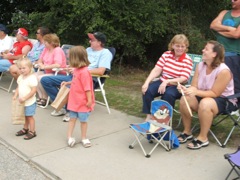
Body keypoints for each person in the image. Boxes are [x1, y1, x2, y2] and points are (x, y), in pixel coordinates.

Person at [177, 40, 238, 150]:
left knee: (205, 103)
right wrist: (186, 89)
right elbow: (194, 86)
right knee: (184, 98)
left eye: (206, 49)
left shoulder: (224, 71)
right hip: (203, 95)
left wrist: (195, 92)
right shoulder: (200, 65)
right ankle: (187, 131)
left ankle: (203, 138)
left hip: (224, 100)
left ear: (214, 54)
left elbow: (215, 93)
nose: (202, 50)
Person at [40, 32, 112, 121]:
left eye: (92, 40)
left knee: (69, 87)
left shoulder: (105, 53)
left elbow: (101, 71)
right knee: (45, 80)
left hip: (89, 79)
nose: (89, 41)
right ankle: (61, 106)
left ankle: (70, 110)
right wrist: (70, 67)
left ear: (99, 42)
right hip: (74, 76)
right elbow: (79, 64)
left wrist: (80, 71)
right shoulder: (88, 50)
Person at [142, 34, 193, 121]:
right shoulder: (166, 55)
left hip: (177, 85)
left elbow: (183, 78)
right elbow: (156, 70)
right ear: (172, 45)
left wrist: (167, 82)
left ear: (186, 47)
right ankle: (149, 116)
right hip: (162, 81)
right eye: (177, 46)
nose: (180, 48)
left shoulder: (187, 60)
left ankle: (162, 119)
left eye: (182, 46)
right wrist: (146, 83)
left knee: (168, 94)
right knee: (147, 90)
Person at [62, 46, 95, 148]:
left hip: (82, 102)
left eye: (70, 57)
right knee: (72, 119)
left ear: (75, 58)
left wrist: (89, 100)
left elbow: (87, 88)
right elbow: (77, 82)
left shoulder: (84, 72)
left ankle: (84, 138)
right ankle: (69, 137)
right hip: (74, 100)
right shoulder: (76, 70)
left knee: (83, 121)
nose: (69, 59)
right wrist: (68, 82)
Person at [210, 0, 240, 94]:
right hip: (216, 53)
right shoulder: (224, 13)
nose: (232, 1)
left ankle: (233, 103)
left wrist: (219, 30)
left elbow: (236, 34)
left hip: (233, 54)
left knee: (233, 81)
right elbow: (213, 25)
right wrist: (228, 28)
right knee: (214, 78)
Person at [34, 33, 67, 107]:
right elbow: (40, 59)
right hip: (47, 71)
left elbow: (57, 64)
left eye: (45, 42)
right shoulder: (46, 49)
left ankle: (45, 99)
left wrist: (44, 67)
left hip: (58, 72)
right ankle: (41, 96)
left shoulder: (57, 50)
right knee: (33, 77)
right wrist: (40, 64)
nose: (43, 43)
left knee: (40, 78)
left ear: (51, 43)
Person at [13, 57, 38, 140]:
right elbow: (18, 87)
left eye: (24, 68)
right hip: (22, 102)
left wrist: (25, 98)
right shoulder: (20, 77)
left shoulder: (32, 78)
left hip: (30, 102)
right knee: (25, 116)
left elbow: (33, 91)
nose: (22, 70)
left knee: (29, 117)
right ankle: (25, 129)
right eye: (20, 68)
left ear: (30, 67)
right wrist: (16, 95)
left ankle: (32, 131)